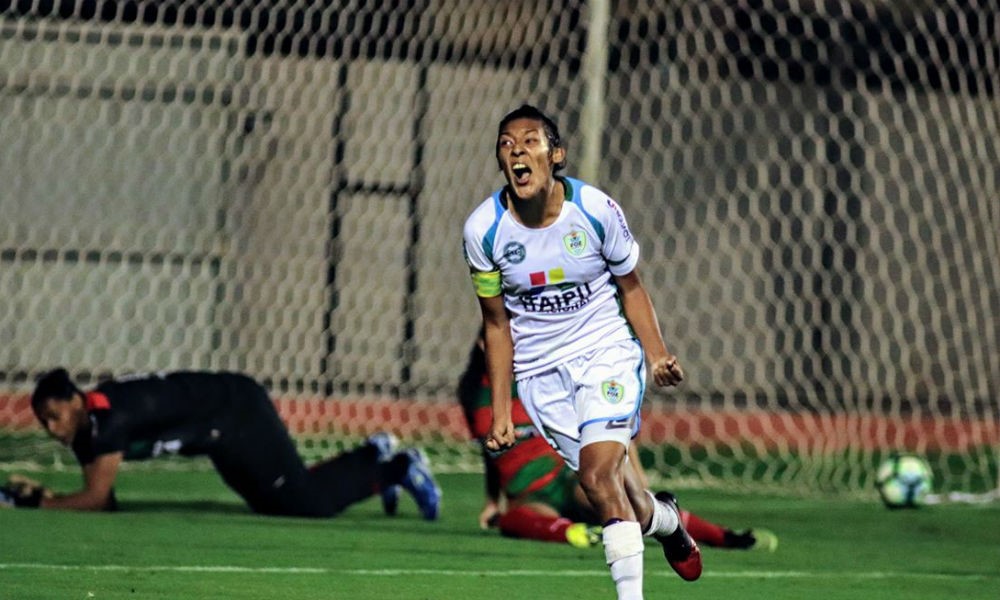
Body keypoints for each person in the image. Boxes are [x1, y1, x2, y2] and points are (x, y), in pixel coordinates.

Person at [462, 104, 701, 598]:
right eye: (507, 144)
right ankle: (666, 520)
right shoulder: (483, 231)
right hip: (541, 376)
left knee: (595, 477)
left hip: (605, 353)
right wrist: (503, 412)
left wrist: (656, 355)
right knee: (621, 497)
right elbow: (496, 324)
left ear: (556, 155)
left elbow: (631, 287)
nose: (517, 151)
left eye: (530, 141)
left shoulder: (595, 211)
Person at [458, 335, 778, 551]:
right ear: (485, 345)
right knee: (513, 519)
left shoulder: (549, 379)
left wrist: (637, 480)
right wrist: (492, 500)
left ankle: (724, 537)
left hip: (567, 475)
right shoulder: (472, 395)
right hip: (527, 492)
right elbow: (489, 450)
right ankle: (576, 534)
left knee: (625, 501)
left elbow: (607, 428)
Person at [0, 368, 442, 521]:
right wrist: (52, 498)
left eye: (55, 416)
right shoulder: (87, 424)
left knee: (306, 504)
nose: (52, 429)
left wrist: (36, 503)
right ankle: (373, 453)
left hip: (235, 413)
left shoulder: (105, 422)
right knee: (274, 503)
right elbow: (104, 498)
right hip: (216, 431)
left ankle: (399, 468)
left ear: (76, 401)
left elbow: (96, 500)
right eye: (44, 421)